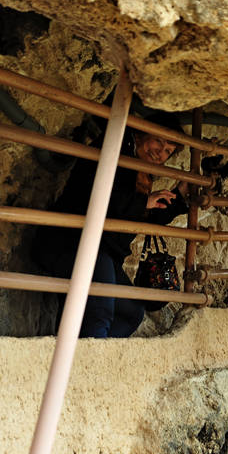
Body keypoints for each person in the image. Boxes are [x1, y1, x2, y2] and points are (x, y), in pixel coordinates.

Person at [33, 111, 188, 338]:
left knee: (131, 311)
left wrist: (178, 198)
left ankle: (77, 351)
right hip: (75, 240)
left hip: (103, 251)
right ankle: (85, 364)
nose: (160, 152)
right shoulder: (115, 147)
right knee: (100, 310)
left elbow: (139, 215)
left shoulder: (140, 168)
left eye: (168, 151)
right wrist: (144, 201)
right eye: (158, 141)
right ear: (141, 132)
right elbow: (98, 193)